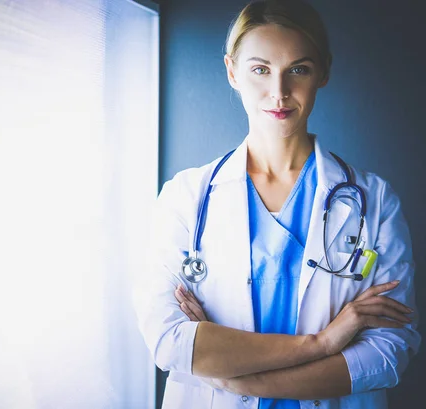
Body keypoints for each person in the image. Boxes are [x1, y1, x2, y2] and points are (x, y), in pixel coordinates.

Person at [134, 0, 421, 408]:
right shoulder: (187, 198)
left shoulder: (375, 202)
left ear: (323, 71)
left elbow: (388, 352)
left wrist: (240, 380)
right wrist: (323, 342)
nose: (279, 92)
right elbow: (169, 341)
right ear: (232, 71)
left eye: (298, 69)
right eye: (260, 69)